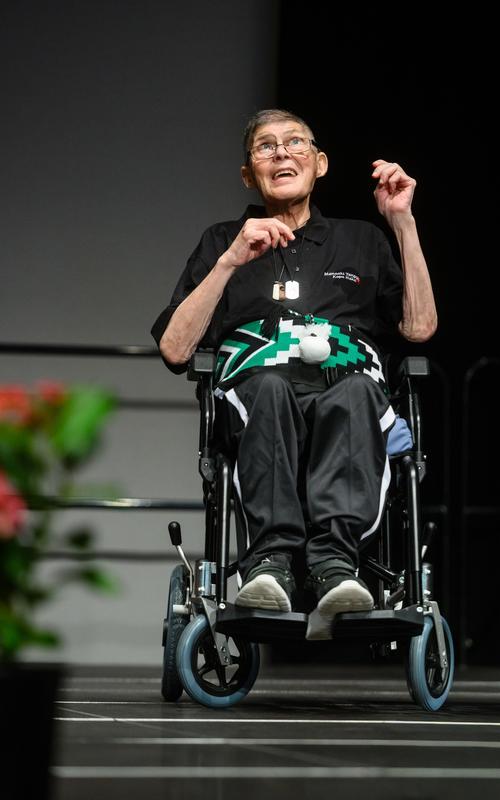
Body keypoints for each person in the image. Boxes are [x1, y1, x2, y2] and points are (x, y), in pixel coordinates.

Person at [151, 109, 437, 639]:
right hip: (258, 383)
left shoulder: (362, 241)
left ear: (320, 163)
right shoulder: (223, 241)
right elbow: (174, 349)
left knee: (355, 392)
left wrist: (402, 221)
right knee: (271, 387)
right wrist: (231, 261)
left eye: (294, 143)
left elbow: (419, 329)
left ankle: (335, 567)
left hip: (347, 380)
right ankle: (270, 564)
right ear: (248, 174)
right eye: (265, 147)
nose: (281, 153)